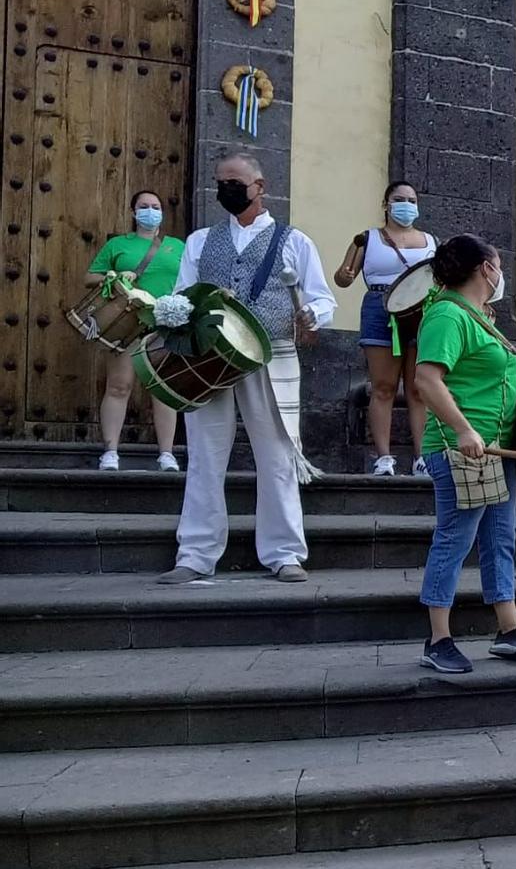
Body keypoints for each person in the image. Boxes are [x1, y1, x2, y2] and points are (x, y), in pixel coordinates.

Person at [158, 154, 333, 584]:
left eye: (234, 181)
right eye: (220, 182)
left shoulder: (294, 241)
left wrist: (311, 315)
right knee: (203, 456)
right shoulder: (200, 241)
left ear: (259, 186)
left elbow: (323, 297)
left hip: (269, 355)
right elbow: (181, 295)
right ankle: (195, 555)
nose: (226, 189)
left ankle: (285, 553)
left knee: (276, 456)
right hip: (208, 357)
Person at [411, 235, 516, 674]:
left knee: (498, 538)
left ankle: (508, 630)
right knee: (455, 538)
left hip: (494, 446)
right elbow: (427, 380)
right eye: (499, 264)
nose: (500, 272)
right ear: (485, 269)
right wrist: (464, 429)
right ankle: (437, 639)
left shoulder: (480, 317)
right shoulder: (448, 314)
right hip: (460, 448)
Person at [333, 182, 437, 476]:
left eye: (412, 200)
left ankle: (422, 458)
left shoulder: (431, 241)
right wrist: (344, 274)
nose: (406, 204)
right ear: (386, 204)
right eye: (399, 199)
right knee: (383, 386)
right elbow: (343, 279)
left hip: (421, 310)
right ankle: (384, 457)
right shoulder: (366, 239)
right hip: (380, 305)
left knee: (419, 387)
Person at [85, 189, 184, 471]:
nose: (150, 210)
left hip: (164, 324)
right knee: (119, 385)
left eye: (155, 206)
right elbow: (88, 277)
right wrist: (112, 276)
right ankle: (111, 452)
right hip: (125, 323)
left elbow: (190, 279)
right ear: (133, 212)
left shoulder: (177, 247)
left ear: (163, 212)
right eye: (144, 206)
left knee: (162, 389)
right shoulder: (118, 245)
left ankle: (167, 454)